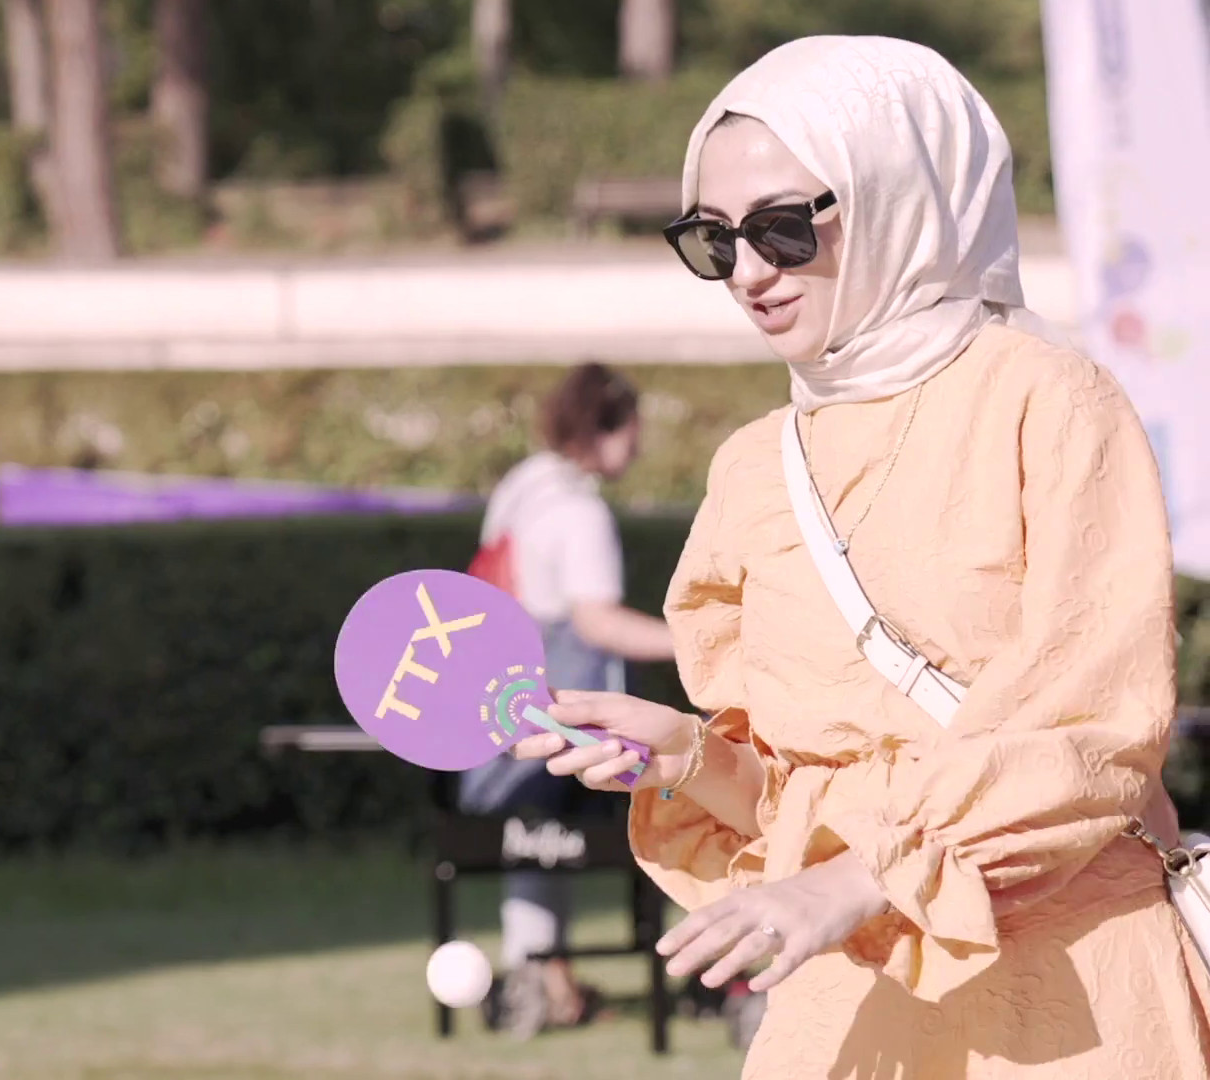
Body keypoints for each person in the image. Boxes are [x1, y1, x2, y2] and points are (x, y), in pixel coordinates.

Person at [514, 36, 1210, 1078]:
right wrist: (694, 759)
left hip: (1071, 998)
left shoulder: (1048, 400)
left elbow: (1094, 733)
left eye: (786, 228)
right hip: (850, 992)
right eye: (713, 240)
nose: (749, 272)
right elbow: (806, 800)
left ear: (903, 196)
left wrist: (855, 881)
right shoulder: (755, 466)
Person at [459, 363, 676, 1036]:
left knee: (532, 842)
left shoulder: (521, 486)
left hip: (493, 713)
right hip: (556, 710)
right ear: (607, 426)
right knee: (675, 806)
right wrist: (702, 640)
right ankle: (702, 968)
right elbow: (597, 623)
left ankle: (544, 979)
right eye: (633, 429)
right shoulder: (579, 510)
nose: (638, 447)